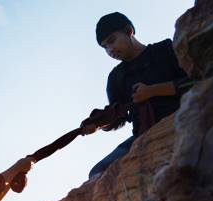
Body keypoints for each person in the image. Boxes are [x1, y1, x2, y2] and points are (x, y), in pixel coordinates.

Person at [82, 12, 191, 178]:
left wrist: (153, 91)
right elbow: (118, 118)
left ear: (128, 30)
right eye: (105, 47)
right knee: (97, 173)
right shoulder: (116, 77)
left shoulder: (166, 49)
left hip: (183, 118)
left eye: (112, 40)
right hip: (142, 137)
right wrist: (98, 124)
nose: (110, 50)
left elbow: (195, 81)